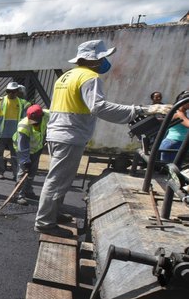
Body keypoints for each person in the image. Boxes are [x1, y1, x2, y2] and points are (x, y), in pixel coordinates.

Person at [35, 39, 163, 236]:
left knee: (61, 178)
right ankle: (44, 222)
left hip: (58, 133)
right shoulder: (90, 77)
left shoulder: (66, 76)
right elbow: (99, 107)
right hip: (70, 134)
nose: (104, 62)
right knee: (57, 180)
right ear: (92, 59)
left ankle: (54, 212)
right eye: (102, 57)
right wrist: (139, 110)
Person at [13, 104, 49, 205]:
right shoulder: (24, 126)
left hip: (37, 148)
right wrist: (25, 161)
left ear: (41, 116)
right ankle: (18, 195)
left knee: (32, 172)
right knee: (23, 171)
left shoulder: (47, 115)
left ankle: (28, 191)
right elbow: (22, 146)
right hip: (23, 149)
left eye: (35, 121)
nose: (33, 123)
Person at [0, 82, 30, 180]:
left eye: (13, 91)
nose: (11, 93)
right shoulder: (0, 101)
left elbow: (27, 113)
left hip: (15, 134)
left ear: (17, 92)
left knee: (15, 155)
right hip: (1, 132)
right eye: (8, 91)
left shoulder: (22, 103)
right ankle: (0, 172)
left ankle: (16, 173)